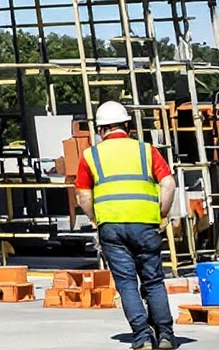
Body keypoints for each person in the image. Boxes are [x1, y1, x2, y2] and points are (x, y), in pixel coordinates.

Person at [75, 101, 178, 350]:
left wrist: (94, 220)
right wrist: (161, 213)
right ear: (128, 127)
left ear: (101, 130)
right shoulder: (146, 150)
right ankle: (165, 335)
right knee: (153, 281)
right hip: (145, 224)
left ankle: (142, 338)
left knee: (127, 284)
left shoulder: (91, 155)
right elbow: (168, 184)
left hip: (111, 226)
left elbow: (83, 196)